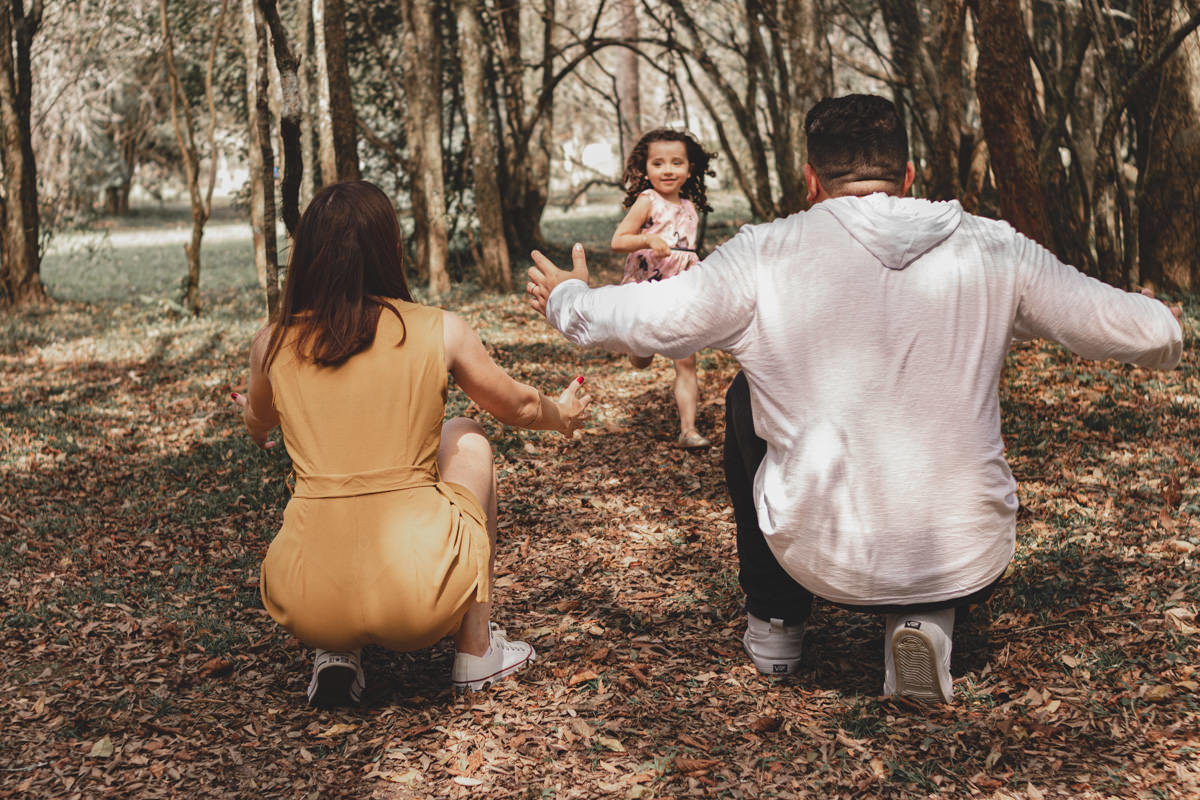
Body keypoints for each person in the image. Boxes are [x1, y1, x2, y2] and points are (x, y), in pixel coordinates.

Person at [526, 95, 1183, 704]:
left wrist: (567, 299)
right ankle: (924, 621)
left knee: (746, 398)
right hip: (969, 554)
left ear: (811, 180)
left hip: (820, 553)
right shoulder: (992, 247)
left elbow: (648, 319)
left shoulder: (767, 252)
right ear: (911, 173)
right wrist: (1163, 325)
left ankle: (778, 629)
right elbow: (1134, 327)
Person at [233, 181, 591, 706]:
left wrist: (255, 416)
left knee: (325, 481)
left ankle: (336, 652)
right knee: (465, 434)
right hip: (420, 593)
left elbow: (257, 423)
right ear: (391, 249)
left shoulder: (273, 341)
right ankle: (475, 651)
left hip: (306, 598)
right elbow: (518, 407)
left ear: (306, 255)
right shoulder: (439, 330)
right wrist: (563, 416)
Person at [610, 128, 717, 449]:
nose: (668, 170)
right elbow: (618, 241)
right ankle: (638, 349)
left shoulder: (689, 207)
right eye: (658, 163)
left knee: (686, 360)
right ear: (646, 169)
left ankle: (688, 430)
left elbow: (686, 250)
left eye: (676, 163)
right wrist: (647, 239)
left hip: (680, 292)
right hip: (646, 288)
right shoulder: (647, 201)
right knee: (642, 358)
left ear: (690, 168)